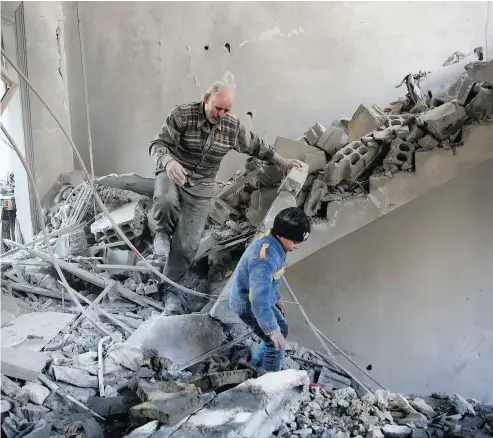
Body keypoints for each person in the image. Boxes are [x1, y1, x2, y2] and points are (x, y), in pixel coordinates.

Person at [149, 81, 304, 315]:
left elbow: (256, 145)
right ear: (206, 98)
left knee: (188, 244)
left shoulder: (231, 127)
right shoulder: (181, 114)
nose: (220, 115)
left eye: (226, 110)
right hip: (173, 172)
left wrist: (281, 161)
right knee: (166, 198)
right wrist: (168, 161)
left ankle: (170, 289)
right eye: (217, 108)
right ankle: (161, 231)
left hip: (201, 185)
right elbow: (157, 145)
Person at [229, 207, 311, 372]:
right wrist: (272, 331)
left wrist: (277, 297)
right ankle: (269, 380)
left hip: (258, 298)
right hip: (248, 304)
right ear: (280, 236)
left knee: (282, 329)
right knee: (275, 341)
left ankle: (256, 363)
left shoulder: (276, 242)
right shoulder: (264, 258)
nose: (297, 247)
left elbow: (269, 282)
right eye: (294, 242)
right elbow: (258, 300)